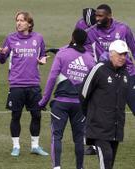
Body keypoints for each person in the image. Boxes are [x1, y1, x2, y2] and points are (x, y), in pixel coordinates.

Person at [39, 29, 95, 169]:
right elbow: (93, 85)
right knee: (78, 139)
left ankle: (57, 167)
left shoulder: (62, 54)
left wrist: (44, 101)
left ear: (72, 38)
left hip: (61, 104)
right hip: (79, 106)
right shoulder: (90, 59)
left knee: (56, 136)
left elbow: (52, 78)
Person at [0, 11, 49, 157]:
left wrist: (43, 59)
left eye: (22, 20)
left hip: (33, 84)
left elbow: (43, 54)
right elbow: (2, 60)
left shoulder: (38, 38)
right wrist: (2, 54)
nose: (18, 23)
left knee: (37, 115)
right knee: (16, 115)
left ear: (29, 24)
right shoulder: (10, 39)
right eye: (17, 20)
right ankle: (16, 146)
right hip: (16, 84)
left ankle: (35, 146)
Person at [85, 4, 135, 155]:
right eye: (96, 16)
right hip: (104, 76)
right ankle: (94, 144)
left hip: (128, 74)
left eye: (100, 16)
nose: (97, 19)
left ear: (109, 16)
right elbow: (85, 50)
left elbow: (133, 48)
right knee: (101, 110)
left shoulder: (123, 29)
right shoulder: (91, 32)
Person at [80, 40, 129, 169]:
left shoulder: (125, 74)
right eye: (120, 54)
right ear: (111, 54)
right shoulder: (99, 69)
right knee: (106, 159)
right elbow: (83, 94)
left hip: (116, 129)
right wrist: (91, 115)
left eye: (125, 54)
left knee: (109, 162)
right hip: (98, 128)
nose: (123, 57)